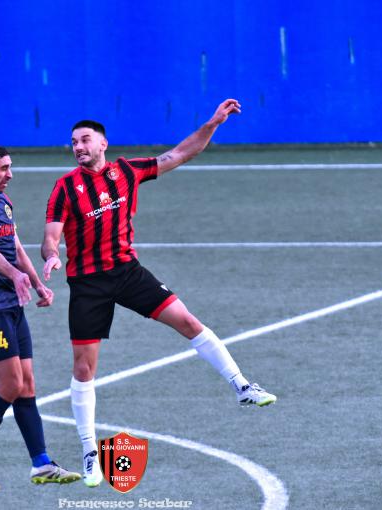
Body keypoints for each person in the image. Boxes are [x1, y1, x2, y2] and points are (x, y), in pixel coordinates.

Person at [41, 99, 277, 487]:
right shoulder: (65, 188)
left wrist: (213, 123)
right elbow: (51, 236)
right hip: (88, 283)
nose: (78, 147)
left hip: (127, 272)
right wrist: (51, 255)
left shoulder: (127, 171)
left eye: (84, 140)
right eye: (73, 142)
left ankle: (242, 386)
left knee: (188, 321)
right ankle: (88, 452)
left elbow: (181, 153)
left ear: (103, 143)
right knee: (84, 368)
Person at [0, 144, 81, 490]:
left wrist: (36, 283)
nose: (10, 174)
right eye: (3, 168)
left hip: (10, 302)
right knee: (11, 384)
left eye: (10, 167)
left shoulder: (3, 203)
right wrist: (15, 275)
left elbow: (16, 247)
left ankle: (41, 463)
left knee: (27, 384)